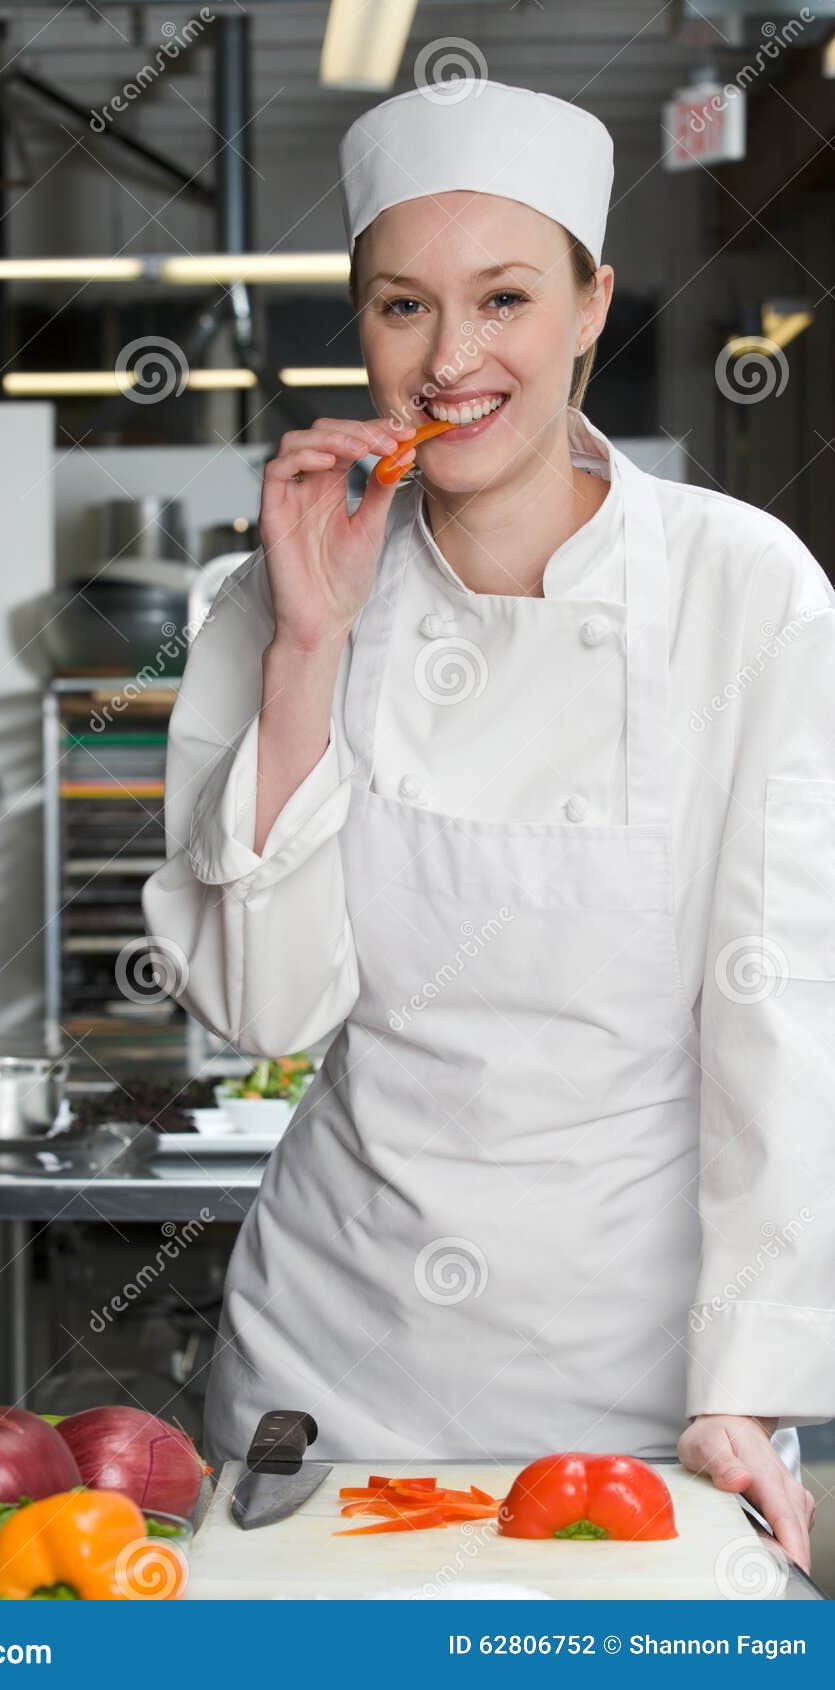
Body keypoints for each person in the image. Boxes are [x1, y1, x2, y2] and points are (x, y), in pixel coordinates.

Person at [142, 78, 834, 1569]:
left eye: (505, 298)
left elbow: (787, 1008)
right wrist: (311, 644)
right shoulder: (278, 588)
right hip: (328, 1376)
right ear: (361, 323)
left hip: (643, 1389)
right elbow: (262, 1007)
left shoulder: (743, 586)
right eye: (405, 305)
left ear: (591, 306)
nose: (451, 358)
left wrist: (749, 1380)